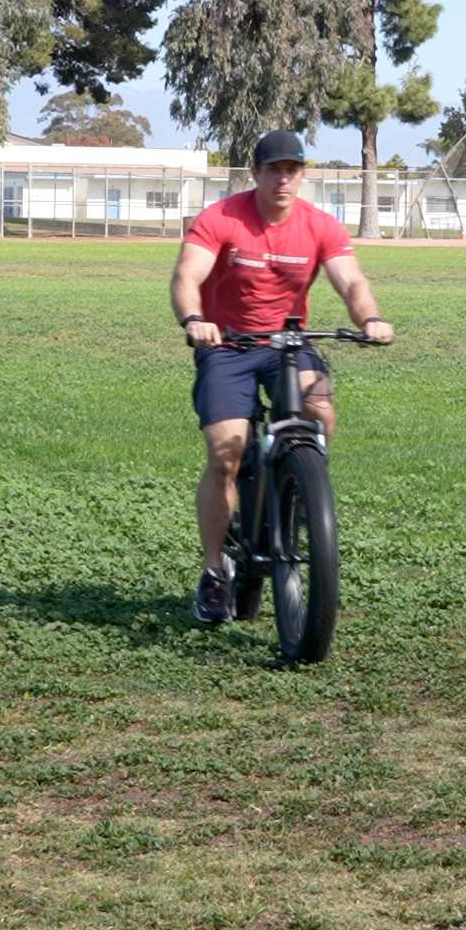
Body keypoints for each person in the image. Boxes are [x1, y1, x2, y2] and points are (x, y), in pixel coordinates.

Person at [170, 129, 392, 624]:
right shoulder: (223, 218)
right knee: (226, 454)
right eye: (274, 169)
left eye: (293, 169)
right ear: (257, 174)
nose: (284, 179)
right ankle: (214, 572)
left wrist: (370, 319)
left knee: (320, 407)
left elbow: (351, 279)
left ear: (302, 175)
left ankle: (299, 485)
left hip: (288, 343)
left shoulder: (319, 225)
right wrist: (194, 320)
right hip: (227, 345)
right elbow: (187, 276)